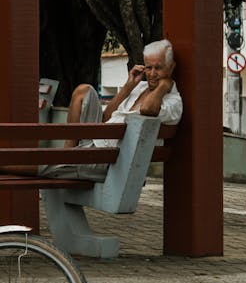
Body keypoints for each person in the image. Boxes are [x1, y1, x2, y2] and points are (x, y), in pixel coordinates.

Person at [37, 38, 182, 182]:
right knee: (83, 91)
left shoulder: (173, 102)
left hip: (109, 160)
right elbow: (106, 118)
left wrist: (163, 86)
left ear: (171, 67)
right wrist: (127, 87)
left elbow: (147, 109)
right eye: (148, 68)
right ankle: (68, 155)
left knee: (27, 163)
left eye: (158, 68)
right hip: (95, 143)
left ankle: (67, 160)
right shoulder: (139, 87)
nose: (152, 74)